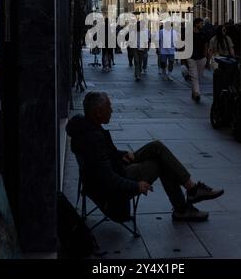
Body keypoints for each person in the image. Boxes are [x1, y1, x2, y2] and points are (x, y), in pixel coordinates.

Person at [66, 92, 224, 222]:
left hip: (114, 168)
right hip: (113, 186)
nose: (112, 111)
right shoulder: (93, 138)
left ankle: (191, 190)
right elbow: (107, 177)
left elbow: (103, 158)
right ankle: (184, 204)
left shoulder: (87, 128)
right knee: (161, 164)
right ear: (98, 112)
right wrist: (135, 186)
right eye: (109, 107)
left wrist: (121, 154)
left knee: (156, 147)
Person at [188, 18, 208, 102]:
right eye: (201, 24)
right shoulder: (189, 34)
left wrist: (206, 58)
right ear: (196, 24)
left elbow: (206, 46)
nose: (202, 25)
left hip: (201, 58)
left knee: (198, 77)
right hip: (191, 57)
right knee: (194, 76)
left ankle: (194, 91)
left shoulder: (203, 34)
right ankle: (197, 93)